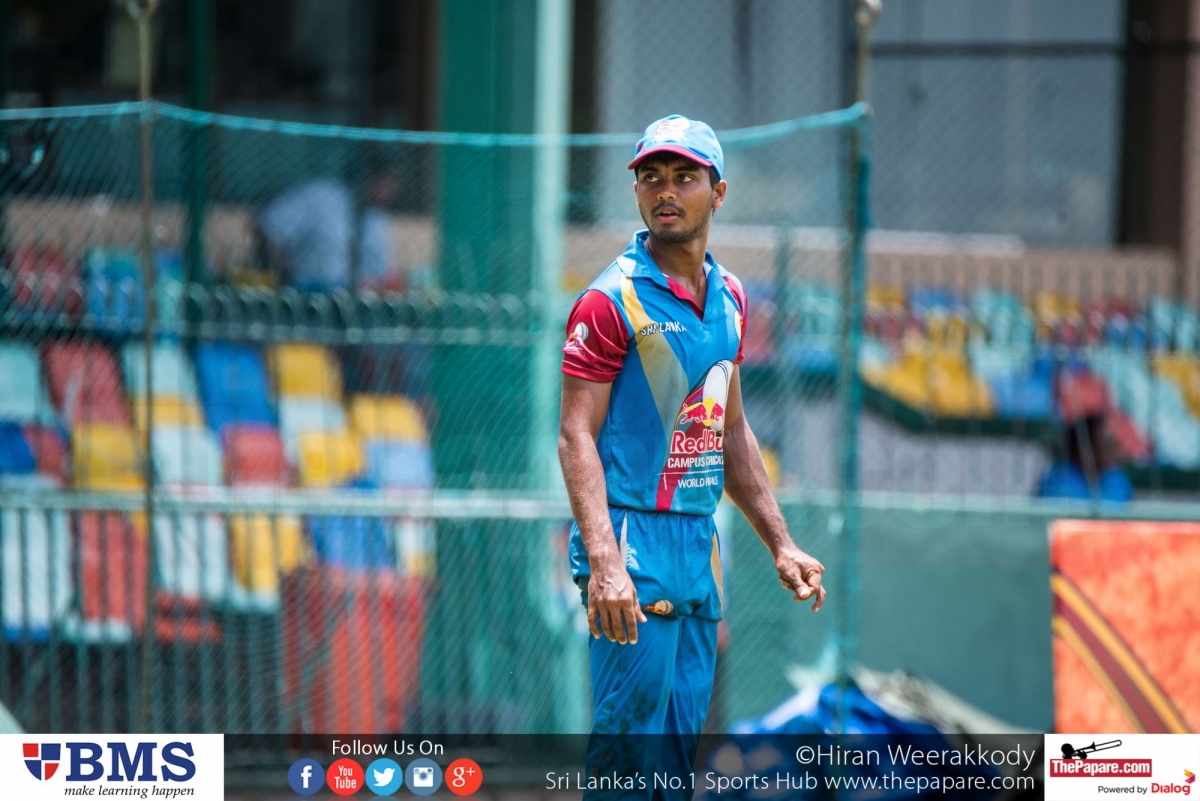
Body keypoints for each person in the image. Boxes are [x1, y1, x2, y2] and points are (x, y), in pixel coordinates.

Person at [557, 115, 826, 797]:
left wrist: (781, 543)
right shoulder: (609, 300)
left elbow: (730, 431)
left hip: (699, 549)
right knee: (627, 754)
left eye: (684, 177)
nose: (665, 191)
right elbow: (575, 435)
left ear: (719, 191)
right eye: (651, 177)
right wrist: (606, 564)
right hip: (631, 542)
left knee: (675, 759)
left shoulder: (731, 298)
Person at [252, 163, 400, 292]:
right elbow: (267, 225)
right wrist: (283, 273)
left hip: (352, 299)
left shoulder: (377, 218)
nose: (389, 190)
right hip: (307, 292)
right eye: (384, 183)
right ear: (368, 179)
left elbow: (382, 273)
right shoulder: (322, 195)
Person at [1037, 414, 1134, 503]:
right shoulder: (1060, 480)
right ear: (1083, 448)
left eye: (1111, 442)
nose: (1111, 449)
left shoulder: (1116, 478)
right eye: (1104, 443)